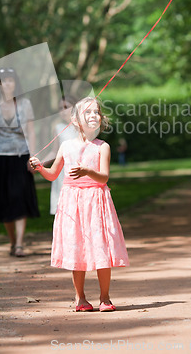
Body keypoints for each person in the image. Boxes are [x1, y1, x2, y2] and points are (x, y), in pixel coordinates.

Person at [30, 96, 129, 312]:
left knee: (101, 247)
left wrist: (87, 171)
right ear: (75, 120)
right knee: (77, 250)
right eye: (88, 112)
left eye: (97, 112)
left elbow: (103, 178)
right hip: (72, 204)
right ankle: (80, 298)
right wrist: (39, 168)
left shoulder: (103, 147)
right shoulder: (66, 146)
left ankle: (105, 297)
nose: (94, 115)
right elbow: (53, 174)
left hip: (96, 201)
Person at [0, 68, 40, 257]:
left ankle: (20, 243)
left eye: (11, 80)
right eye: (4, 81)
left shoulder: (25, 104)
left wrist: (33, 156)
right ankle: (12, 241)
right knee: (4, 201)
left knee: (19, 199)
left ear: (15, 83)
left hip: (20, 156)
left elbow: (31, 132)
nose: (8, 84)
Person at [47, 97, 77, 215]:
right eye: (60, 108)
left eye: (66, 107)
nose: (63, 111)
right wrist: (40, 163)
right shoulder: (58, 128)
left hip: (78, 170)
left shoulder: (83, 127)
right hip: (63, 172)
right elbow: (55, 151)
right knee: (64, 211)